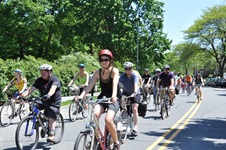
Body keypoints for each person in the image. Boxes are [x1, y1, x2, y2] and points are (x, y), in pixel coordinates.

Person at [78, 49, 121, 149]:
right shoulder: (98, 72)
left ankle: (116, 142)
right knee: (95, 115)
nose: (104, 62)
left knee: (108, 120)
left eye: (106, 59)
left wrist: (114, 95)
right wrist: (81, 95)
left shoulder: (114, 71)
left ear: (110, 60)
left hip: (113, 98)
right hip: (103, 97)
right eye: (102, 60)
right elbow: (89, 86)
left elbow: (115, 84)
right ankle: (97, 138)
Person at [21, 64, 62, 143]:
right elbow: (31, 90)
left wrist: (49, 95)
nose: (42, 73)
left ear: (49, 72)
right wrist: (22, 95)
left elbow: (53, 88)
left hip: (54, 101)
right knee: (33, 105)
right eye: (41, 71)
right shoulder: (39, 80)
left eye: (44, 72)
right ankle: (40, 120)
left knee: (51, 114)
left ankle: (51, 134)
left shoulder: (54, 79)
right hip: (43, 100)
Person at [119, 62, 140, 135]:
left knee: (134, 108)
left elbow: (136, 84)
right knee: (122, 100)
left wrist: (134, 92)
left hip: (135, 93)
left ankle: (135, 126)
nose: (128, 70)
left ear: (132, 69)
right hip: (126, 93)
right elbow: (118, 85)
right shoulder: (122, 76)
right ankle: (124, 114)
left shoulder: (134, 75)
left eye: (129, 69)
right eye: (126, 69)